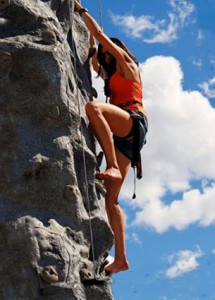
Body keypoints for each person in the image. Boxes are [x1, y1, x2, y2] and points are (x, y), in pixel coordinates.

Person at [74, 0, 148, 274]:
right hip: (125, 134)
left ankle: (113, 167)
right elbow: (94, 54)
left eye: (107, 54)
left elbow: (100, 37)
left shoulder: (128, 65)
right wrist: (94, 52)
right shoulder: (110, 71)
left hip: (132, 121)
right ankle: (121, 259)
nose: (102, 60)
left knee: (93, 108)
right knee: (111, 200)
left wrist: (80, 11)